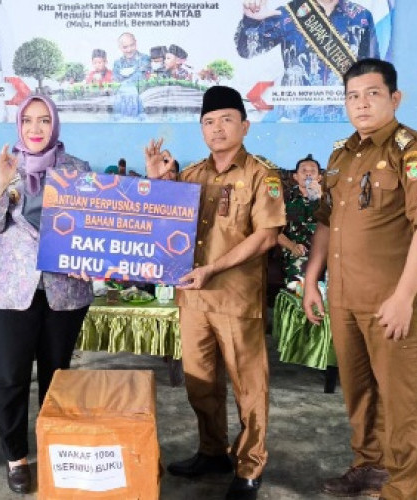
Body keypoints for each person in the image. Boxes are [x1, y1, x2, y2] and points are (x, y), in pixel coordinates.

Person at [302, 59, 417, 499]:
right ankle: (368, 467)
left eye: (372, 94)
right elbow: (326, 222)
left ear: (394, 98)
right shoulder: (340, 155)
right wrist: (312, 280)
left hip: (392, 303)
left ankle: (401, 491)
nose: (361, 104)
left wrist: (404, 296)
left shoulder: (415, 151)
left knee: (401, 406)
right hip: (345, 300)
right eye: (352, 96)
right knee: (359, 396)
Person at [144, 86, 286, 500]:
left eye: (226, 119)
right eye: (209, 122)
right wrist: (157, 182)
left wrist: (212, 269)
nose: (217, 128)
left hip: (236, 300)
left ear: (244, 124)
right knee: (200, 383)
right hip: (195, 301)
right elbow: (162, 225)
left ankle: (249, 467)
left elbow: (266, 237)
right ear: (202, 129)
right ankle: (212, 450)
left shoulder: (263, 175)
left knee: (249, 386)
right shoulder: (190, 176)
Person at [0, 94, 93, 494]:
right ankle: (16, 457)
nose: (36, 128)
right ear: (19, 125)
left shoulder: (78, 170)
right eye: (29, 120)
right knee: (10, 377)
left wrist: (88, 256)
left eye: (44, 120)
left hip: (65, 289)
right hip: (13, 290)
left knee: (57, 375)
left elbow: (91, 229)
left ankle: (53, 445)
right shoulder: (2, 165)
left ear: (55, 124)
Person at [235, 0, 379, 121]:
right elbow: (247, 50)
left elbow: (372, 74)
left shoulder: (361, 16)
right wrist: (251, 21)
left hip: (345, 119)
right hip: (296, 119)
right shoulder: (288, 14)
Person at [277, 153, 322, 285]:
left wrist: (321, 198)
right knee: (300, 280)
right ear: (295, 177)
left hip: (325, 250)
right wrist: (292, 246)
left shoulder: (329, 199)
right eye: (304, 171)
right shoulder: (285, 198)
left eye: (312, 171)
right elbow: (273, 231)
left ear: (319, 177)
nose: (308, 174)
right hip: (298, 250)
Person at [113, 33, 150, 118]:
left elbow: (141, 75)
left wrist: (124, 82)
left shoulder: (144, 58)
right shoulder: (117, 63)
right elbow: (115, 80)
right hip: (121, 97)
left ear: (136, 43)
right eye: (125, 47)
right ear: (120, 47)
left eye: (132, 45)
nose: (129, 49)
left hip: (139, 94)